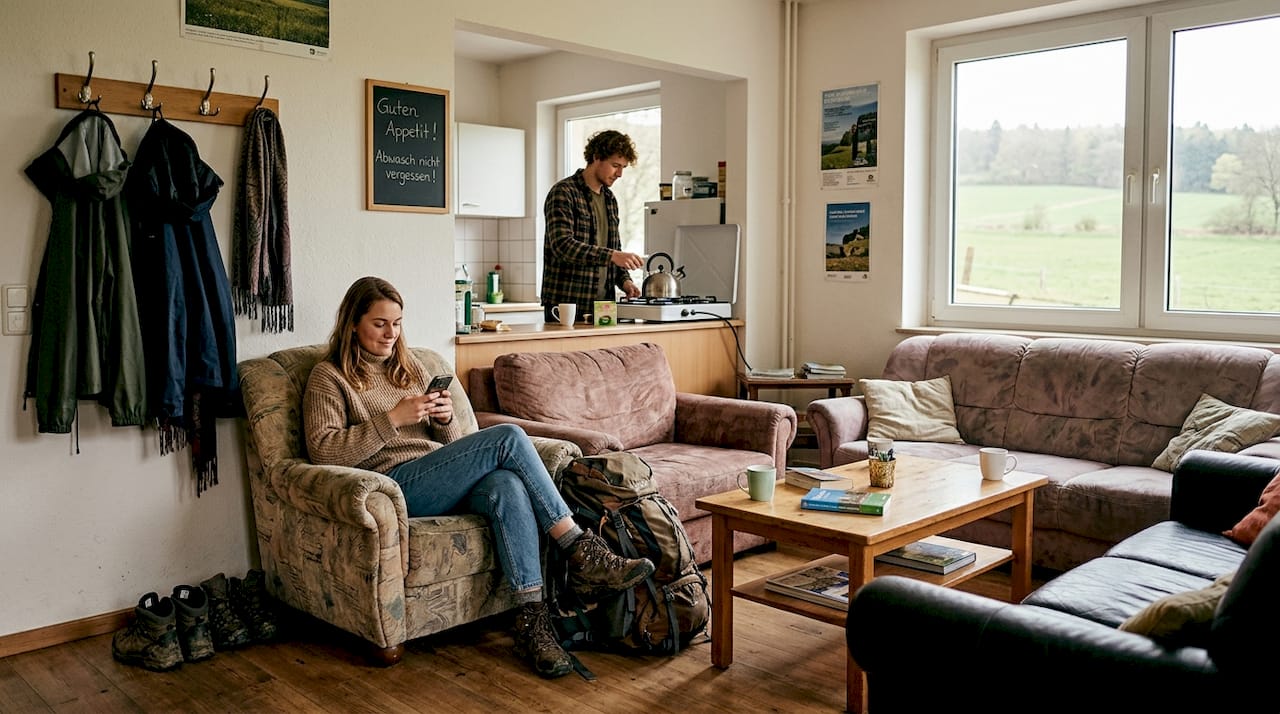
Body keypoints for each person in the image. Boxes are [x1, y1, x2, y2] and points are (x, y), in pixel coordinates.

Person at [303, 276, 654, 678]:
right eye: (380, 323)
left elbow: (455, 444)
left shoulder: (410, 367)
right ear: (352, 323)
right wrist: (392, 420)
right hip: (393, 488)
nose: (391, 333)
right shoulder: (328, 378)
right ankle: (578, 548)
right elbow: (324, 450)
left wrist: (445, 418)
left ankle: (532, 622)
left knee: (506, 485)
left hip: (438, 476)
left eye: (397, 323)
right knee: (507, 437)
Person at [541, 129, 645, 323]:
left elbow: (614, 250)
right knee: (566, 355)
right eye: (615, 165)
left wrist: (625, 281)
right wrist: (613, 256)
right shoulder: (564, 192)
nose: (620, 174)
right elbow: (563, 246)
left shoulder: (609, 199)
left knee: (603, 354)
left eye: (623, 167)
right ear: (597, 157)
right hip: (567, 304)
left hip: (604, 306)